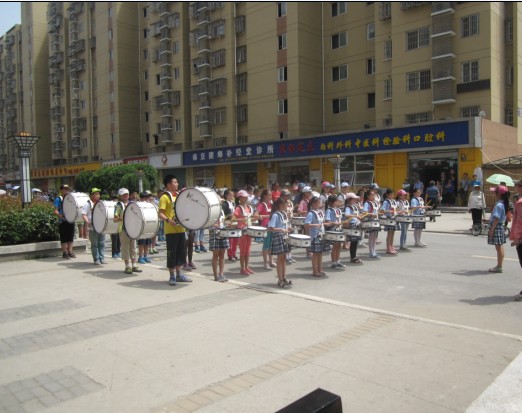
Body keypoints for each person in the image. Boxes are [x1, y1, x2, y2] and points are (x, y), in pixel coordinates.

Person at [158, 175, 191, 286]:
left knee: (181, 253)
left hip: (181, 229)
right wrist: (168, 220)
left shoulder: (179, 196)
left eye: (177, 182)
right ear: (168, 185)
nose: (177, 184)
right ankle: (172, 276)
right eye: (175, 182)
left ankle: (179, 275)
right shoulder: (164, 197)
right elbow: (160, 213)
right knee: (172, 253)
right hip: (170, 231)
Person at [113, 188, 142, 274]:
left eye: (127, 194)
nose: (126, 195)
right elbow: (115, 219)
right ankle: (127, 266)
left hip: (132, 228)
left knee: (133, 247)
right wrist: (122, 218)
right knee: (125, 248)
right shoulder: (119, 205)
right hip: (123, 229)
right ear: (120, 196)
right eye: (124, 194)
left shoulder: (132, 204)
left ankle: (134, 265)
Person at [268, 197, 292, 287]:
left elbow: (284, 225)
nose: (287, 206)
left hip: (285, 237)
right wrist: (281, 229)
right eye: (286, 204)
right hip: (278, 237)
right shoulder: (275, 215)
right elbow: (270, 228)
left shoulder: (284, 214)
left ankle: (284, 278)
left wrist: (288, 229)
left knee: (284, 258)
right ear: (281, 205)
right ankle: (280, 280)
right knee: (280, 259)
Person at [234, 189, 258, 275]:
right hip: (242, 231)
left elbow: (251, 219)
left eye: (246, 196)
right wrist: (241, 219)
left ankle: (247, 267)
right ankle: (242, 268)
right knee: (243, 251)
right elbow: (232, 219)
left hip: (249, 231)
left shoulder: (249, 207)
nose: (246, 198)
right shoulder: (238, 208)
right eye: (244, 197)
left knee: (248, 250)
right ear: (240, 198)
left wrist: (256, 218)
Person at [305, 196, 329, 277]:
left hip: (321, 234)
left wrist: (328, 224)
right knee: (315, 254)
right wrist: (315, 225)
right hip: (315, 235)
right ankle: (315, 271)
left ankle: (320, 269)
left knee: (320, 253)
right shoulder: (311, 213)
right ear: (313, 204)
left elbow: (321, 222)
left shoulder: (320, 212)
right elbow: (307, 224)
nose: (320, 204)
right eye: (318, 203)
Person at [487, 185, 509, 273]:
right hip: (499, 226)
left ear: (499, 194)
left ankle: (499, 266)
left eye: (494, 192)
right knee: (500, 247)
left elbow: (496, 218)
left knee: (498, 248)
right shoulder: (502, 203)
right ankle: (499, 265)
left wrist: (492, 229)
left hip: (497, 227)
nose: (493, 194)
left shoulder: (499, 205)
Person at [81, 188, 105, 265]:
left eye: (98, 194)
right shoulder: (88, 204)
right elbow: (83, 214)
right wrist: (87, 221)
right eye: (96, 194)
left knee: (101, 243)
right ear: (91, 195)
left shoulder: (101, 203)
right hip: (92, 227)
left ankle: (102, 258)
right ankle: (96, 259)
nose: (98, 195)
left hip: (101, 226)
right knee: (94, 244)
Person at [53, 184, 76, 259]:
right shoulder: (59, 199)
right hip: (63, 221)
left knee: (70, 237)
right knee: (64, 238)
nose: (66, 190)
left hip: (71, 220)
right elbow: (55, 211)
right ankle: (65, 252)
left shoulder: (70, 198)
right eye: (65, 189)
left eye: (67, 189)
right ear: (61, 190)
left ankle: (70, 251)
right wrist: (60, 215)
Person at [208, 207, 230, 283]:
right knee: (215, 255)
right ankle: (215, 275)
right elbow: (207, 223)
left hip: (223, 232)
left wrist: (226, 223)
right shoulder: (211, 210)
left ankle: (221, 274)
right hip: (214, 233)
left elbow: (223, 221)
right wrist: (213, 225)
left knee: (222, 255)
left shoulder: (222, 211)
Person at [509, 179, 522, 300]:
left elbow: (520, 221)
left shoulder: (520, 203)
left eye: (517, 186)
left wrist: (517, 238)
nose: (515, 188)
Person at [325, 194, 345, 269]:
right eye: (336, 201)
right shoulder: (329, 210)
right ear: (331, 202)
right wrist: (335, 223)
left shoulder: (338, 210)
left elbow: (340, 219)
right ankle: (333, 262)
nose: (337, 202)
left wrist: (342, 223)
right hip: (333, 230)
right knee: (334, 246)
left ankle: (337, 261)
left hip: (339, 229)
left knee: (339, 246)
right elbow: (327, 221)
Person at [344, 193, 363, 264]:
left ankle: (354, 256)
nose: (355, 200)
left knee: (355, 242)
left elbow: (357, 214)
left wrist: (359, 216)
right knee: (353, 242)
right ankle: (352, 257)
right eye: (354, 199)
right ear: (349, 200)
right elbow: (346, 215)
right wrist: (355, 216)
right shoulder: (348, 207)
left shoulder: (354, 206)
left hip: (357, 224)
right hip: (352, 225)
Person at [257, 189, 275, 270]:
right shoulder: (261, 205)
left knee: (271, 245)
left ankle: (271, 261)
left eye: (271, 195)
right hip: (265, 227)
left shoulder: (271, 204)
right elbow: (255, 215)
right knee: (266, 245)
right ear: (264, 196)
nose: (271, 197)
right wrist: (265, 216)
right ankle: (265, 263)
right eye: (269, 195)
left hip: (272, 226)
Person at [363, 189, 381, 258]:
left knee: (374, 237)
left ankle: (374, 251)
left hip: (375, 221)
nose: (373, 196)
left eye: (374, 195)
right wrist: (371, 214)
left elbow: (377, 211)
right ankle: (371, 252)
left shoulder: (375, 203)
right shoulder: (367, 203)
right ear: (368, 196)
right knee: (371, 237)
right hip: (370, 221)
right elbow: (364, 212)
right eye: (371, 195)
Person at [280, 189, 296, 263]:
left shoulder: (290, 203)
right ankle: (285, 256)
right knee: (285, 240)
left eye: (288, 195)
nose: (287, 196)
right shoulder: (280, 203)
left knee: (290, 240)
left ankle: (289, 255)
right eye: (286, 195)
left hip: (290, 222)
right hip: (283, 223)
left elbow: (292, 211)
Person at [380, 189, 398, 255]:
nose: (392, 196)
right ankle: (388, 248)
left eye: (393, 194)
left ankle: (391, 246)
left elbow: (396, 209)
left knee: (393, 233)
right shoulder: (386, 202)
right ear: (387, 195)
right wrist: (389, 211)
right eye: (391, 194)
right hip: (389, 218)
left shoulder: (394, 201)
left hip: (394, 218)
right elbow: (382, 210)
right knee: (389, 233)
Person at [222, 190, 238, 261]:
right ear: (226, 196)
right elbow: (223, 215)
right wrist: (230, 215)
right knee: (230, 240)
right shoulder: (224, 204)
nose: (232, 196)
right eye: (230, 195)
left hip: (235, 222)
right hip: (228, 223)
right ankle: (230, 255)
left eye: (233, 195)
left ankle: (234, 253)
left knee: (235, 239)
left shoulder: (233, 203)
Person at [137, 192, 153, 265]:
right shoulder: (138, 205)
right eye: (145, 198)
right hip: (142, 227)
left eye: (147, 198)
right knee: (141, 243)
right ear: (141, 198)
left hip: (148, 226)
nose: (146, 200)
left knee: (147, 243)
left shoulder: (149, 205)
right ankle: (140, 257)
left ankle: (146, 256)